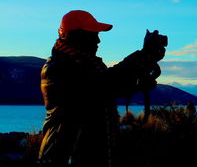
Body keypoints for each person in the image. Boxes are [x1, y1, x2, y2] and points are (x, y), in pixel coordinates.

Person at [38, 10, 166, 167]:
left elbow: (103, 90)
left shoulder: (87, 63)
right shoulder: (57, 68)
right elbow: (101, 86)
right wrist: (143, 55)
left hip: (90, 153)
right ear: (76, 36)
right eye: (93, 35)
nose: (98, 40)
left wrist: (136, 84)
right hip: (66, 155)